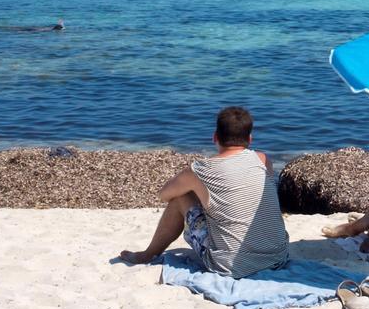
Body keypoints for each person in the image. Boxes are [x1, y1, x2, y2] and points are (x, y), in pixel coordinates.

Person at [120, 107, 289, 277]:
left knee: (181, 198)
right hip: (278, 258)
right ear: (250, 139)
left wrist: (198, 193)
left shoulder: (201, 170)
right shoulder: (263, 160)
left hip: (230, 266)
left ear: (215, 137)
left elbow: (164, 195)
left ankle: (147, 254)